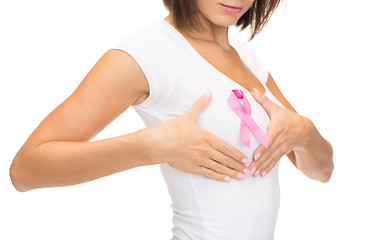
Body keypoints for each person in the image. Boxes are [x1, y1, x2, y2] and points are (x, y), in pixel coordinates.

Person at [9, 0, 334, 239]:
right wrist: (151, 147)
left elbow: (322, 171)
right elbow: (25, 170)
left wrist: (305, 132)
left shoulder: (249, 59)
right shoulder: (148, 52)